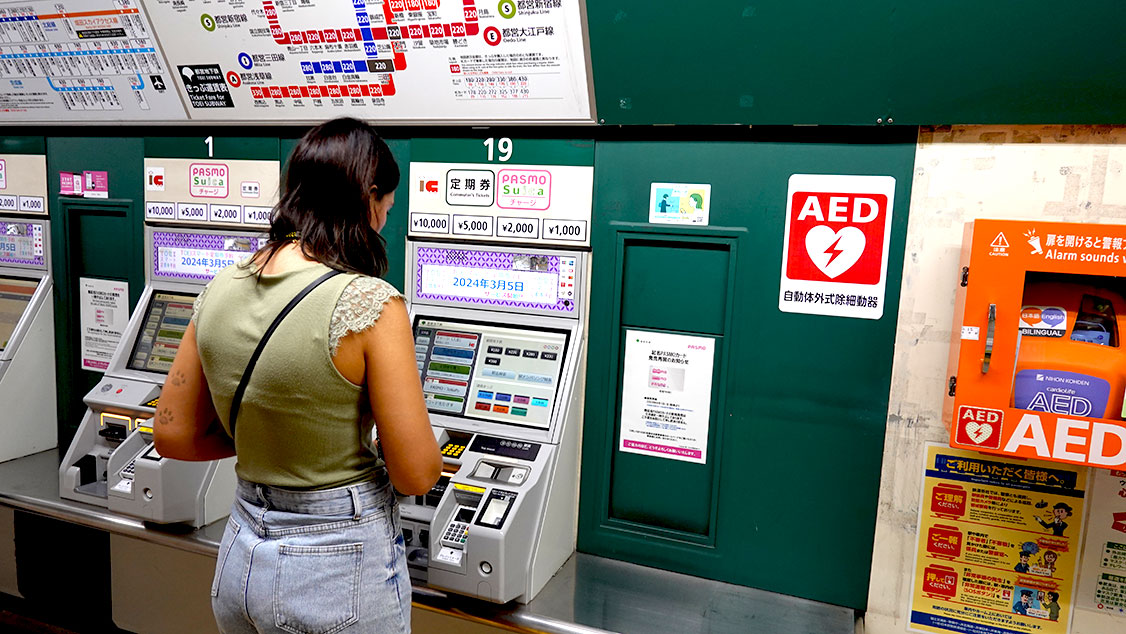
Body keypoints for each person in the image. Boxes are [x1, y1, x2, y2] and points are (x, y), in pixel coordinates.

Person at [155, 117, 442, 634]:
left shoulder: (219, 287)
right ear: (367, 196)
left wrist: (275, 440)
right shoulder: (370, 302)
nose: (381, 222)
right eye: (385, 209)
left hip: (241, 558)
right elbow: (416, 474)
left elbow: (173, 434)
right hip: (338, 566)